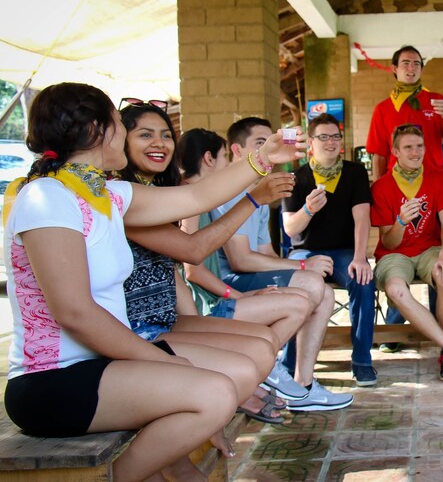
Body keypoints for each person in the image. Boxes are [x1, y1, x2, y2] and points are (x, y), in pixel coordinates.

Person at [3, 82, 301, 480]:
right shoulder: (46, 197)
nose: (125, 133)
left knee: (216, 391)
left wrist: (261, 159)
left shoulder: (108, 193)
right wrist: (164, 363)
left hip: (102, 364)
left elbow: (197, 199)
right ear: (97, 129)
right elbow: (74, 313)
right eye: (119, 123)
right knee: (214, 393)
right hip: (51, 379)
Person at [118, 104, 302, 425]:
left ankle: (236, 396)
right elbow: (194, 251)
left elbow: (171, 275)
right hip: (136, 331)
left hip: (167, 318)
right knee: (254, 356)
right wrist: (256, 184)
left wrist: (194, 326)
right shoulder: (123, 195)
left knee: (265, 343)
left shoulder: (157, 191)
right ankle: (228, 399)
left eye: (166, 135)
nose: (159, 143)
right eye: (145, 135)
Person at [211, 117, 353, 412]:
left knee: (324, 292)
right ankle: (266, 365)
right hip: (227, 285)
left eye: (271, 141)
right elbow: (240, 259)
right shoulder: (229, 190)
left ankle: (304, 384)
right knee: (312, 282)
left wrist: (299, 268)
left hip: (248, 277)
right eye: (260, 144)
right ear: (237, 151)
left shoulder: (259, 191)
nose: (270, 149)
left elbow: (268, 255)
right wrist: (301, 268)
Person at [370, 124, 443, 382]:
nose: (415, 151)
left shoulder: (437, 177)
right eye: (408, 147)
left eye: (419, 146)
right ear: (395, 151)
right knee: (396, 291)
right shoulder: (382, 187)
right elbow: (390, 241)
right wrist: (400, 221)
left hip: (430, 248)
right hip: (394, 255)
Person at [281, 114, 378, 387]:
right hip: (306, 252)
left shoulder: (355, 172)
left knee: (363, 280)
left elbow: (362, 218)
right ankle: (289, 364)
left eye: (335, 136)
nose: (331, 142)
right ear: (311, 143)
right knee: (299, 287)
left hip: (345, 251)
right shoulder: (296, 178)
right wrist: (308, 209)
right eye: (323, 137)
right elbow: (290, 229)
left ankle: (361, 360)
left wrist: (361, 258)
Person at [366, 45, 443, 178]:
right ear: (395, 68)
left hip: (432, 180)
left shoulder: (436, 100)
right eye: (406, 63)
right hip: (397, 183)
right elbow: (379, 156)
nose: (411, 68)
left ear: (421, 69)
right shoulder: (383, 109)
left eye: (416, 64)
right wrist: (378, 191)